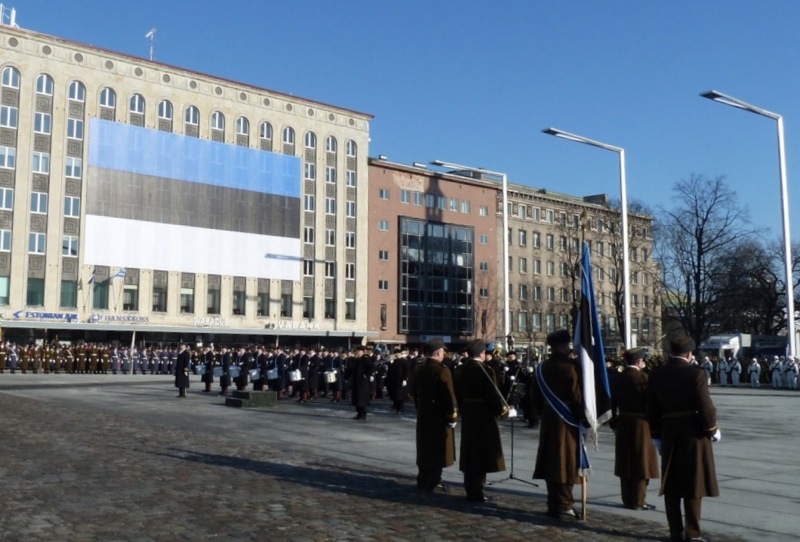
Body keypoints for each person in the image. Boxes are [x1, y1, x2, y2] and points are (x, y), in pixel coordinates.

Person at [647, 336, 719, 542]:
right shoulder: (696, 374)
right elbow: (706, 407)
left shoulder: (656, 374)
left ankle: (675, 532)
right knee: (693, 484)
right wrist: (712, 429)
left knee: (671, 483)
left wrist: (656, 435)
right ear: (689, 354)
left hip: (669, 432)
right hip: (693, 434)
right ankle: (692, 533)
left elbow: (651, 408)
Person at [529, 329, 583, 519]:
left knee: (551, 462)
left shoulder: (542, 367)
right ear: (564, 345)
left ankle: (554, 502)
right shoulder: (570, 367)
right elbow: (576, 396)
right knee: (566, 463)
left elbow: (534, 397)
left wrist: (539, 414)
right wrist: (585, 419)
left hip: (549, 419)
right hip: (566, 421)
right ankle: (563, 503)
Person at [453, 339, 508, 503]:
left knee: (470, 451)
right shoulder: (486, 371)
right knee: (481, 453)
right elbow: (493, 396)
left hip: (468, 413)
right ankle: (476, 490)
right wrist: (503, 411)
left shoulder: (459, 370)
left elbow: (457, 394)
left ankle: (470, 487)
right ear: (482, 353)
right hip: (483, 415)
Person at [609, 347, 659, 511]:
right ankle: (638, 500)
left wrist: (614, 423)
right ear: (639, 361)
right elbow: (651, 404)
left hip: (623, 422)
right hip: (641, 423)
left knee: (626, 462)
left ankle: (627, 499)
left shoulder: (617, 378)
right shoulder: (644, 379)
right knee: (641, 463)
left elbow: (611, 404)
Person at [413, 338, 458, 492]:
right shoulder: (442, 370)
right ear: (439, 352)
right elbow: (448, 396)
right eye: (443, 352)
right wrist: (452, 416)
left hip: (424, 413)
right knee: (438, 448)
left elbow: (414, 392)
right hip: (438, 415)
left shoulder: (419, 368)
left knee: (424, 447)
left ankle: (422, 479)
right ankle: (434, 480)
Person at [347, 345, 374, 420]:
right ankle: (359, 413)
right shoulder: (356, 359)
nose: (357, 353)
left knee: (362, 398)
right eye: (356, 351)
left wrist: (366, 374)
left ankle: (363, 414)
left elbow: (371, 367)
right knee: (356, 398)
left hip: (363, 382)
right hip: (356, 381)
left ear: (362, 352)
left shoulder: (365, 359)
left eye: (358, 351)